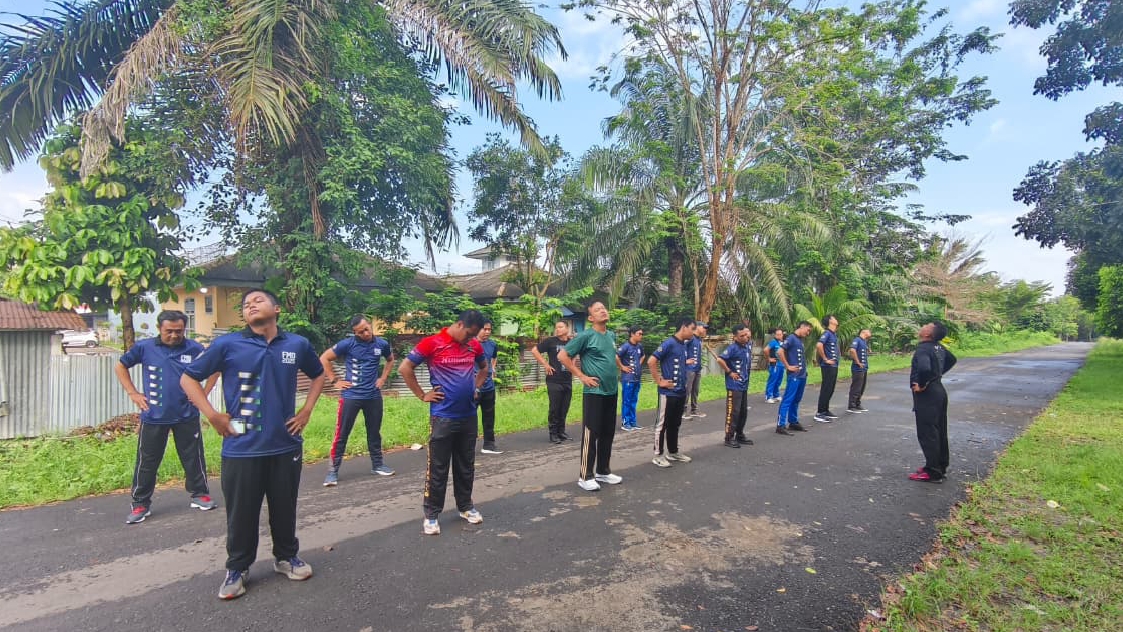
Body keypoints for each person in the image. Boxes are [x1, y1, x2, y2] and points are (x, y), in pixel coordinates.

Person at [181, 289, 326, 601]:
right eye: (246, 304)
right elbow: (188, 379)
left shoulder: (296, 344)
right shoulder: (228, 344)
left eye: (257, 300)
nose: (250, 305)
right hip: (241, 444)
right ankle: (237, 568)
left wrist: (306, 411)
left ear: (276, 308)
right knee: (241, 512)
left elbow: (319, 375)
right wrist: (212, 415)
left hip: (285, 443)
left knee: (285, 507)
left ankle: (286, 558)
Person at [114, 310, 218, 525]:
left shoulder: (195, 348)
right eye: (169, 331)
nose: (174, 335)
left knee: (193, 457)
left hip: (186, 415)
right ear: (159, 329)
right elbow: (120, 365)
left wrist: (203, 394)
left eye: (178, 331)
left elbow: (215, 369)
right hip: (154, 417)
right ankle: (140, 503)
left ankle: (200, 495)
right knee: (147, 461)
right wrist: (133, 393)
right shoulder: (145, 348)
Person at [398, 310, 489, 535]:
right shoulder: (432, 343)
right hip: (443, 416)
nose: (471, 339)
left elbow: (484, 368)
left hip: (468, 415)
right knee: (438, 467)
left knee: (466, 464)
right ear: (459, 324)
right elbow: (404, 368)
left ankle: (465, 506)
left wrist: (476, 387)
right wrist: (422, 395)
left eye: (474, 336)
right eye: (469, 334)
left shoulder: (473, 346)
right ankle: (431, 514)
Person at [319, 315, 396, 486]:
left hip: (373, 396)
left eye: (367, 329)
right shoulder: (348, 344)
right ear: (355, 333)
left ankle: (378, 465)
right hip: (351, 396)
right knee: (342, 434)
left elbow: (390, 360)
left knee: (374, 432)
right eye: (361, 332)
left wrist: (383, 379)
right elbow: (324, 358)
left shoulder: (381, 344)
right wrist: (335, 380)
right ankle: (332, 472)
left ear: (370, 325)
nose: (366, 333)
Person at [558, 302, 622, 491]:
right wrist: (581, 376)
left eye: (604, 308)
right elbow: (563, 356)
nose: (603, 310)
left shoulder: (610, 335)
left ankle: (603, 470)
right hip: (594, 392)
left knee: (608, 432)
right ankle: (585, 476)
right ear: (591, 318)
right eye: (597, 310)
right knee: (591, 433)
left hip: (611, 390)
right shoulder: (586, 335)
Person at [909, 321, 957, 483]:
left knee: (927, 432)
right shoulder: (939, 347)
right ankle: (940, 466)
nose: (922, 326)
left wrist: (922, 384)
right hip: (939, 392)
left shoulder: (923, 348)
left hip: (928, 395)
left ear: (928, 334)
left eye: (926, 325)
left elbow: (924, 368)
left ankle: (933, 472)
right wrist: (936, 375)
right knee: (939, 429)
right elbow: (952, 360)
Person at [648, 318, 696, 468]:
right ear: (684, 327)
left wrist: (685, 363)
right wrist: (659, 380)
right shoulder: (669, 343)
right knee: (662, 424)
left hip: (680, 391)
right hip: (668, 393)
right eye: (692, 329)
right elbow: (651, 361)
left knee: (675, 423)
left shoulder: (683, 344)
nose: (694, 333)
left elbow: (674, 362)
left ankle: (673, 452)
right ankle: (657, 455)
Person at [532, 320, 574, 444]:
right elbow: (535, 350)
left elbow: (575, 355)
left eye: (561, 327)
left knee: (564, 407)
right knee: (555, 408)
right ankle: (553, 434)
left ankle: (561, 431)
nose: (558, 329)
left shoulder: (572, 343)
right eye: (557, 327)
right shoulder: (551, 341)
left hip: (567, 379)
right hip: (554, 380)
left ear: (567, 328)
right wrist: (545, 364)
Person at [716, 324, 753, 448]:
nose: (745, 337)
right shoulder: (732, 348)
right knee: (733, 412)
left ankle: (740, 435)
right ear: (735, 337)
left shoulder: (747, 346)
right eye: (741, 336)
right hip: (734, 385)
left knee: (743, 412)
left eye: (745, 334)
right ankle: (729, 437)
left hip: (744, 384)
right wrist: (729, 372)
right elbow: (720, 359)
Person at [775, 321, 812, 435]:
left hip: (802, 375)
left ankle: (793, 422)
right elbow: (780, 351)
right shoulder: (791, 338)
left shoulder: (800, 340)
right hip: (794, 375)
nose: (808, 333)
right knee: (788, 399)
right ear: (802, 327)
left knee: (796, 399)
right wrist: (788, 366)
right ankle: (780, 425)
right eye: (808, 330)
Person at [476, 319, 503, 454]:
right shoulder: (470, 344)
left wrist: (492, 369)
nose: (487, 332)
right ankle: (466, 446)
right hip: (473, 388)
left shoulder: (492, 344)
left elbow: (494, 357)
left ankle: (489, 445)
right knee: (469, 418)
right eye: (484, 329)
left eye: (489, 329)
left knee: (489, 416)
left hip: (488, 387)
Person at [616, 325, 645, 431]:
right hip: (628, 378)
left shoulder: (639, 346)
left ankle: (633, 422)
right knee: (627, 401)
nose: (641, 336)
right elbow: (616, 357)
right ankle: (625, 422)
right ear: (632, 334)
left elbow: (643, 356)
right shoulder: (625, 346)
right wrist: (622, 367)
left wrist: (638, 364)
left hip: (637, 378)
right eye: (639, 334)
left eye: (642, 334)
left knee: (634, 400)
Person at [814, 315, 841, 423]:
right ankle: (820, 413)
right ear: (830, 321)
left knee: (831, 388)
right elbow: (819, 345)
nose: (836, 319)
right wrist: (825, 359)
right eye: (834, 318)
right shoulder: (827, 333)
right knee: (826, 388)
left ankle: (825, 410)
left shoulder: (833, 334)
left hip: (833, 365)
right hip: (828, 366)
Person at [683, 322, 707, 418]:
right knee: (687, 390)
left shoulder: (699, 339)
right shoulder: (690, 338)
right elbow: (681, 348)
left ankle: (694, 410)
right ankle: (683, 411)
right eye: (704, 327)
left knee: (695, 390)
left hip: (697, 368)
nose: (705, 329)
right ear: (697, 327)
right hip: (689, 369)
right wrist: (685, 361)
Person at [847, 328, 873, 414]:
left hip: (864, 368)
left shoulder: (864, 341)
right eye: (869, 331)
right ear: (863, 332)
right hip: (857, 368)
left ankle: (857, 404)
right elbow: (852, 350)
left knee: (862, 387)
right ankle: (851, 405)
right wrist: (857, 362)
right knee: (856, 387)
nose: (870, 333)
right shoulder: (857, 340)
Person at [764, 327, 785, 403]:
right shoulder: (773, 342)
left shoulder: (782, 343)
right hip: (775, 364)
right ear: (775, 335)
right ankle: (768, 396)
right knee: (773, 380)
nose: (779, 336)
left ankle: (776, 395)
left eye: (780, 334)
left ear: (782, 334)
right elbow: (766, 350)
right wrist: (769, 359)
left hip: (781, 365)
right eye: (777, 334)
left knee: (779, 380)